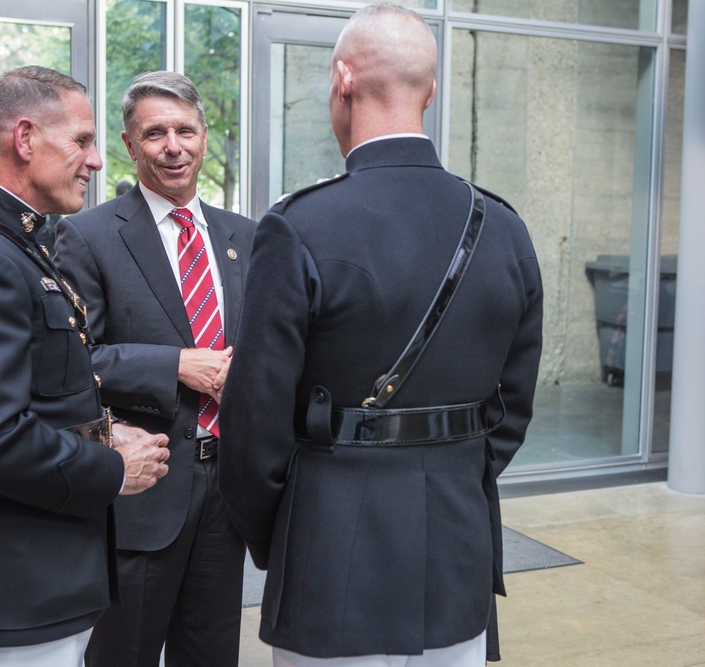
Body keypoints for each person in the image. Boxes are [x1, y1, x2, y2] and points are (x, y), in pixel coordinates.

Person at [218, 4, 544, 666]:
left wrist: (283, 528)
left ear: (343, 79)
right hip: (459, 546)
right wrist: (452, 467)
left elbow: (254, 421)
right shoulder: (504, 227)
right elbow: (511, 406)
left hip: (332, 550)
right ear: (429, 90)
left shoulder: (299, 225)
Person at [0, 65, 171, 667]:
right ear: (25, 139)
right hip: (7, 580)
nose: (96, 160)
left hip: (33, 569)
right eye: (81, 140)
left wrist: (100, 430)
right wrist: (111, 466)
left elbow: (35, 395)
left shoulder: (16, 241)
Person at [54, 70, 256, 667]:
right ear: (129, 143)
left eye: (185, 131)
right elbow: (73, 360)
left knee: (212, 654)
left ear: (205, 135)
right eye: (156, 133)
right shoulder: (86, 237)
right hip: (142, 495)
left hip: (226, 493)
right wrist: (174, 365)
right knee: (124, 654)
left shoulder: (244, 236)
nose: (174, 146)